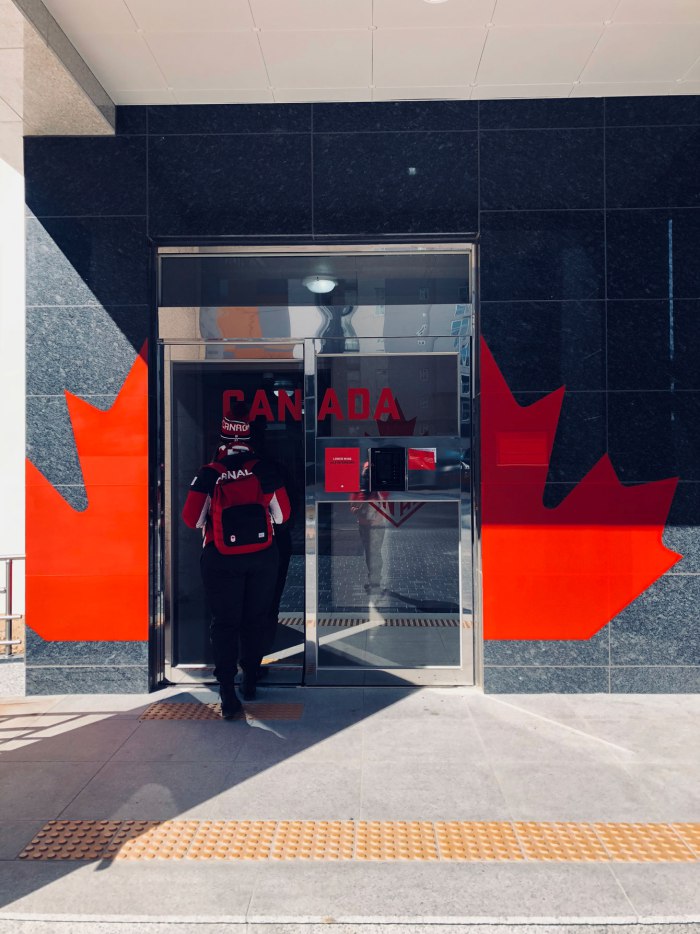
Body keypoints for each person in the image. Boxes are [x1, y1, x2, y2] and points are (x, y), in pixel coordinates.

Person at [182, 405, 290, 718]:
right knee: (256, 618)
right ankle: (251, 677)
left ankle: (228, 691)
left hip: (220, 559)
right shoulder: (264, 470)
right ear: (250, 439)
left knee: (225, 623)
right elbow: (282, 516)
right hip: (262, 557)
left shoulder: (209, 473)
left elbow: (192, 519)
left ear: (222, 438)